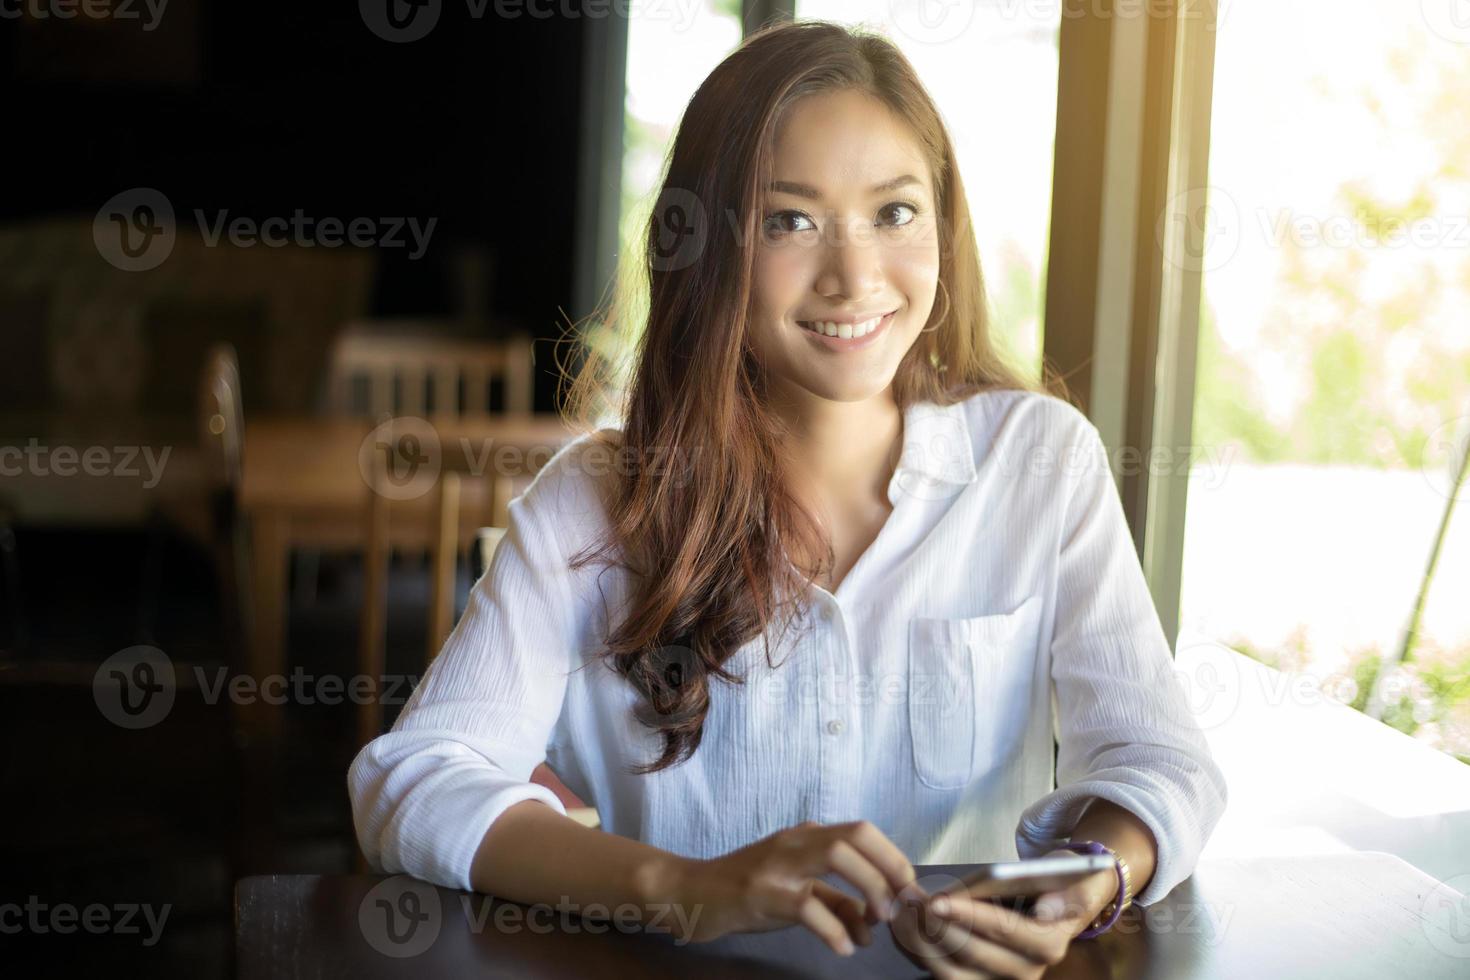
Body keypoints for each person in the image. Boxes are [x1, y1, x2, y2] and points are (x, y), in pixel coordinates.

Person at [348, 19, 1226, 979]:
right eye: (789, 220)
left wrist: (1089, 879)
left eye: (895, 213)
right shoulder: (595, 501)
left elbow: (1159, 760)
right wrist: (688, 889)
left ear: (943, 224)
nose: (855, 277)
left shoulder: (1042, 461)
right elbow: (411, 782)